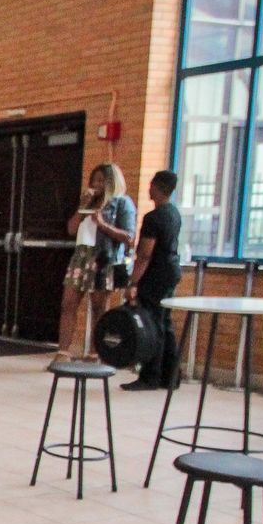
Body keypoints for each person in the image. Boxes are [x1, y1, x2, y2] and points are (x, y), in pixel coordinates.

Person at [55, 162, 135, 363]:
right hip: (81, 257)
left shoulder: (122, 203)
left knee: (99, 307)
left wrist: (103, 224)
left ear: (112, 182)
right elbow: (72, 229)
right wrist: (82, 207)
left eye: (102, 180)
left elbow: (129, 236)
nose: (97, 184)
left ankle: (94, 352)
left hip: (103, 258)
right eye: (94, 180)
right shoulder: (88, 203)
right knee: (68, 303)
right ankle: (63, 352)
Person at [124, 169, 183, 390]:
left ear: (156, 187)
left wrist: (133, 283)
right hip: (171, 271)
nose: (149, 188)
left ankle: (151, 376)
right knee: (165, 323)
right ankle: (171, 376)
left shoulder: (153, 218)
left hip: (156, 274)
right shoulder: (174, 213)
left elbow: (145, 254)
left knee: (152, 324)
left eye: (151, 185)